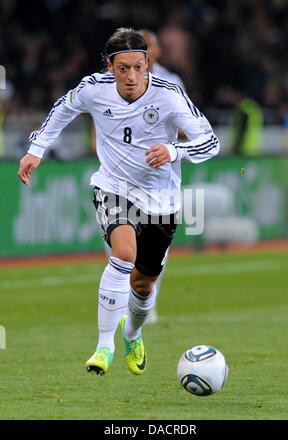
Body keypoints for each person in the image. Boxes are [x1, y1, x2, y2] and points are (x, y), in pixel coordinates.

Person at [18, 28, 220, 377]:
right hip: (114, 187)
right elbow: (62, 110)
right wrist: (36, 149)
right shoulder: (93, 89)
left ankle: (133, 333)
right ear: (110, 67)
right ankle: (103, 346)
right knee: (123, 255)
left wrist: (174, 150)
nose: (131, 76)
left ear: (147, 65)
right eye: (123, 68)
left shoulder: (169, 95)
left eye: (138, 67)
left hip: (161, 199)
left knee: (143, 286)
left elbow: (211, 142)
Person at [102, 29, 187, 325]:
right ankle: (120, 311)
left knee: (152, 255)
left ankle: (146, 307)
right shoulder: (113, 82)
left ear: (153, 55)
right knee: (121, 246)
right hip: (120, 179)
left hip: (159, 181)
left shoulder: (171, 85)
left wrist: (169, 147)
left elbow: (189, 128)